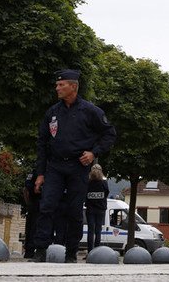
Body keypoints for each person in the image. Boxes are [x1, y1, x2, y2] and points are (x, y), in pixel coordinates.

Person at [33, 69, 117, 263]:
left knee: (75, 209)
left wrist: (93, 153)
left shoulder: (90, 111)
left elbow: (109, 133)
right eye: (57, 85)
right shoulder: (52, 112)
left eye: (61, 85)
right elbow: (42, 143)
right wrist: (40, 173)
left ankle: (71, 252)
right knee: (47, 206)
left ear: (73, 86)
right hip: (54, 166)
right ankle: (40, 250)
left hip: (78, 167)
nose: (57, 88)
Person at [85, 164, 109, 252]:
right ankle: (97, 251)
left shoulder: (88, 182)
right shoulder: (104, 182)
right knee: (98, 230)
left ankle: (90, 251)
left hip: (90, 209)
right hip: (101, 209)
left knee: (90, 230)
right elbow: (106, 193)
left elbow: (85, 194)